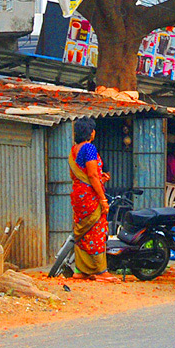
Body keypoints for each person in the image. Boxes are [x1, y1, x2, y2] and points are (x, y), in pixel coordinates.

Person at [69, 117, 115, 281]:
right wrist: (103, 199)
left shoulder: (74, 150)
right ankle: (100, 270)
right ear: (90, 132)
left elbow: (78, 175)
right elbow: (92, 174)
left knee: (83, 230)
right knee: (96, 229)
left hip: (78, 194)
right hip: (90, 196)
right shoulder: (89, 148)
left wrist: (99, 178)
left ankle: (80, 270)